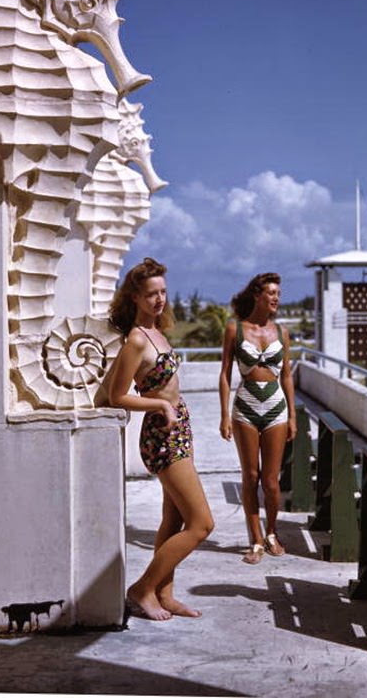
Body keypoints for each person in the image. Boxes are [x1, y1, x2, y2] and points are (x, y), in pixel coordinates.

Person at [109, 257, 214, 620]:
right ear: (135, 297)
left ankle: (164, 593)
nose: (159, 300)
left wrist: (174, 410)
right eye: (151, 294)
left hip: (178, 428)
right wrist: (160, 406)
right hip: (162, 436)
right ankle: (141, 589)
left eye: (163, 292)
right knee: (202, 524)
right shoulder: (137, 339)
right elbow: (115, 395)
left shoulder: (158, 333)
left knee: (172, 521)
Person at [219, 272, 297, 564]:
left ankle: (272, 533)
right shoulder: (234, 329)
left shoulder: (282, 332)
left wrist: (292, 417)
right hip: (245, 407)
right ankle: (254, 541)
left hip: (276, 407)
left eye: (278, 293)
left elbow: (287, 375)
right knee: (250, 477)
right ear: (257, 295)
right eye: (271, 293)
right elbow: (225, 375)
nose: (276, 298)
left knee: (271, 481)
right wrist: (225, 414)